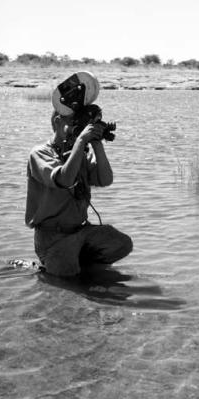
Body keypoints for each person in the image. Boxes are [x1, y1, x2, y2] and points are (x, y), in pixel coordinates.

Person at [25, 72, 133, 278]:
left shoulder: (80, 152)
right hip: (52, 238)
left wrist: (96, 144)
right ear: (57, 122)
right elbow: (64, 179)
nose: (77, 127)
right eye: (72, 122)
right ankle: (47, 267)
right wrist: (81, 142)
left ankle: (81, 262)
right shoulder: (40, 153)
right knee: (70, 281)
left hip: (80, 231)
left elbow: (105, 179)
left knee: (121, 244)